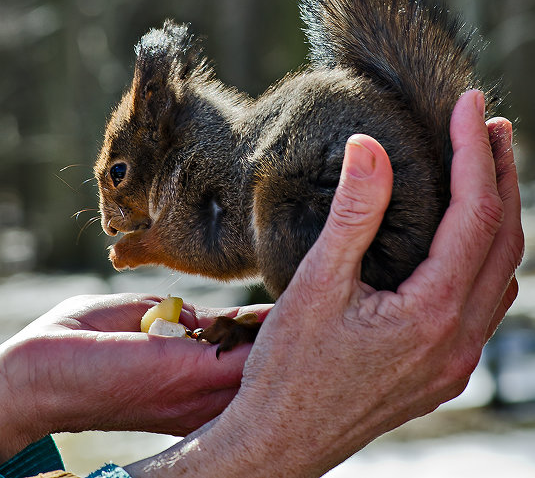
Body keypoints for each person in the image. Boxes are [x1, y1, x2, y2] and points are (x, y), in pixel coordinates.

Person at [0, 91, 524, 478]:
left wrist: (21, 391)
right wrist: (260, 449)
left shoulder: (209, 166)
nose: (110, 218)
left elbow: (229, 246)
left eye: (117, 176)